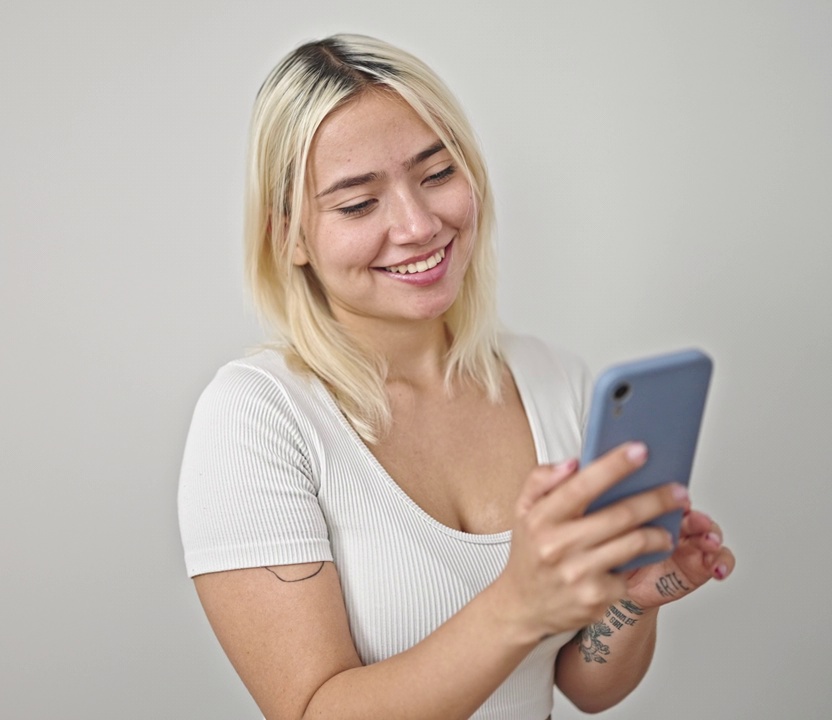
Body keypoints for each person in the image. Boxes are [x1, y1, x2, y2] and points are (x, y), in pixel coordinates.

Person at [177, 34, 735, 720]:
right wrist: (518, 604)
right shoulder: (256, 417)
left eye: (437, 174)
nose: (417, 224)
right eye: (358, 204)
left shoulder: (555, 381)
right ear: (288, 237)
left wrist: (629, 601)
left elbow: (583, 686)